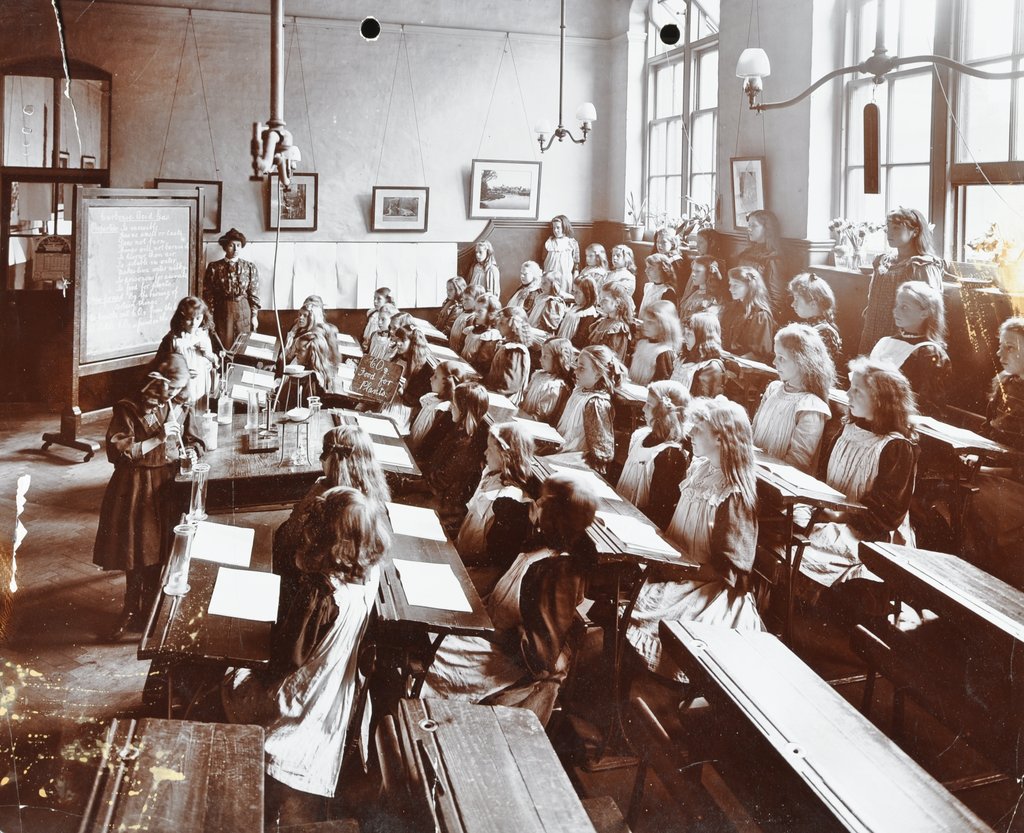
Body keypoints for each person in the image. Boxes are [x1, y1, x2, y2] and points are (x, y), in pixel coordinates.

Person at [222, 487, 389, 798]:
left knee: (232, 675)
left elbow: (290, 658)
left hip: (304, 691)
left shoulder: (322, 592)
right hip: (336, 685)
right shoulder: (369, 571)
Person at [422, 473, 598, 725]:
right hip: (490, 627)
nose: (537, 503)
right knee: (428, 629)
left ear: (556, 516)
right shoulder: (542, 545)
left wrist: (489, 630)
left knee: (429, 658)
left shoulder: (556, 572)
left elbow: (541, 658)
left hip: (502, 656)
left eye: (544, 501)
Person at [625, 398, 763, 682]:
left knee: (638, 616)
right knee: (620, 598)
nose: (690, 434)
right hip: (677, 566)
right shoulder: (699, 469)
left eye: (698, 429)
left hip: (705, 585)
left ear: (721, 438)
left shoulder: (733, 494)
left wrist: (679, 571)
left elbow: (730, 569)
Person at [93, 355, 203, 638]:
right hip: (137, 484)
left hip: (167, 485)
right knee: (137, 550)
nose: (176, 396)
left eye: (180, 390)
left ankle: (151, 611)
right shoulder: (128, 407)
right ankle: (130, 608)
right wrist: (157, 438)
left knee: (161, 550)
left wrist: (190, 451)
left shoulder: (179, 404)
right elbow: (117, 453)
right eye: (172, 390)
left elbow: (195, 439)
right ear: (158, 383)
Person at [797, 358, 919, 589]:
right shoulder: (848, 430)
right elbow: (824, 478)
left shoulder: (896, 448)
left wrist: (838, 516)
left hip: (866, 533)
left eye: (857, 391)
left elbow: (887, 514)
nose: (848, 395)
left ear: (880, 400)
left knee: (800, 553)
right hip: (831, 517)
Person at [273, 424, 390, 596]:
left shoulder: (329, 500)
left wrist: (317, 488)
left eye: (324, 453)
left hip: (304, 575)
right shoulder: (368, 494)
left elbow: (290, 538)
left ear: (338, 462)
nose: (320, 459)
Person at [964, 318, 1024, 587]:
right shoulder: (1004, 386)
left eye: (1010, 348)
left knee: (975, 496)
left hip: (1015, 481)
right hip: (992, 470)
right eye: (1001, 346)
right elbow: (988, 431)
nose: (1000, 354)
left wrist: (985, 468)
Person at [456, 422, 541, 582]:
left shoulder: (511, 501)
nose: (485, 452)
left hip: (479, 572)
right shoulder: (491, 476)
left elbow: (496, 560)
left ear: (506, 456)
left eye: (490, 449)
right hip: (463, 555)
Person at [751, 323, 835, 473]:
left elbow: (797, 462)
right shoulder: (773, 390)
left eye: (781, 358)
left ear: (803, 363)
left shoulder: (811, 406)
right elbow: (753, 433)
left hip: (777, 484)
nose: (774, 362)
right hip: (753, 470)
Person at [859, 207, 943, 354]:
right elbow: (872, 297)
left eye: (897, 228)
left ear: (915, 232)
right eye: (888, 228)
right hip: (872, 332)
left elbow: (931, 310)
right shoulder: (882, 261)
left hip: (903, 339)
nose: (890, 233)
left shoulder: (921, 266)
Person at [868, 281, 951, 418]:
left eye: (904, 307)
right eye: (897, 305)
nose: (895, 311)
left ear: (924, 313)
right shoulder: (886, 342)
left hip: (903, 418)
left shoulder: (928, 353)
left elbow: (928, 404)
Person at [616, 380, 691, 529]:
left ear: (664, 412)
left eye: (649, 405)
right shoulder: (641, 436)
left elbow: (659, 510)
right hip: (620, 511)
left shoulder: (670, 454)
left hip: (637, 525)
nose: (643, 409)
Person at [424, 381, 492, 532]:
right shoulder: (459, 431)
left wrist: (405, 483)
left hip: (442, 507)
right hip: (435, 494)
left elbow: (438, 484)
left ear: (464, 411)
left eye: (454, 404)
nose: (450, 407)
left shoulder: (467, 445)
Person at [556, 344, 620, 475]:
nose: (575, 371)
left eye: (582, 368)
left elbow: (603, 452)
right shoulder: (579, 390)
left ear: (598, 374)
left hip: (574, 461)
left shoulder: (596, 403)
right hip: (562, 451)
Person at [203, 227, 260, 351]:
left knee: (243, 345)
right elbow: (208, 294)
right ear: (224, 247)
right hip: (223, 310)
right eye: (231, 245)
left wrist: (254, 316)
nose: (235, 249)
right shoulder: (214, 267)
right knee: (224, 344)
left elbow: (254, 294)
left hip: (244, 310)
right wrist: (210, 316)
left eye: (238, 245)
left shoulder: (249, 267)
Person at [154, 295, 216, 408]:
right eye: (189, 319)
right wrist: (183, 373)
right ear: (181, 318)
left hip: (201, 393)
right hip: (177, 395)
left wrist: (208, 355)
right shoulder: (172, 340)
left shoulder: (203, 335)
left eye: (198, 318)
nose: (194, 323)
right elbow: (158, 369)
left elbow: (212, 364)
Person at [409, 360, 478, 455]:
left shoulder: (445, 411)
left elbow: (431, 445)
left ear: (449, 383)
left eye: (436, 377)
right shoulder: (431, 399)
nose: (431, 378)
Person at [735, 209, 786, 323]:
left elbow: (776, 299)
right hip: (741, 308)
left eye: (754, 226)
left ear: (767, 229)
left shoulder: (773, 259)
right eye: (748, 225)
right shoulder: (746, 254)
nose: (749, 229)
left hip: (759, 316)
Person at [382, 325, 433, 434]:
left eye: (403, 340)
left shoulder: (421, 368)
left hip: (402, 408)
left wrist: (401, 391)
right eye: (398, 339)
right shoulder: (398, 357)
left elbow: (416, 401)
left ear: (413, 344)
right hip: (387, 401)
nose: (398, 343)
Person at [720, 265, 776, 363]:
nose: (730, 289)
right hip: (728, 359)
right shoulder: (732, 308)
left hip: (746, 366)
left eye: (735, 285)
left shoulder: (760, 315)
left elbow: (758, 355)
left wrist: (731, 361)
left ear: (750, 287)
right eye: (730, 284)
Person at [788, 273, 842, 366]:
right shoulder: (808, 325)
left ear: (813, 304)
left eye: (797, 299)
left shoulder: (825, 333)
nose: (792, 304)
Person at [521, 337, 575, 426]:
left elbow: (542, 416)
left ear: (558, 360)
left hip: (532, 425)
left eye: (545, 356)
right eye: (541, 355)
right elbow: (525, 396)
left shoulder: (556, 386)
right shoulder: (538, 375)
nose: (540, 359)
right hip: (523, 417)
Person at [671, 311, 726, 397]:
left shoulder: (711, 367)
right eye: (684, 333)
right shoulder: (684, 358)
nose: (684, 338)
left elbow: (702, 403)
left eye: (689, 334)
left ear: (702, 337)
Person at [485, 308, 532, 405]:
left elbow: (509, 385)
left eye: (502, 323)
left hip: (504, 401)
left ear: (513, 327)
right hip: (495, 395)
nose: (498, 326)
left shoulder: (515, 351)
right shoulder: (506, 346)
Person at [629, 300, 681, 385]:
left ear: (664, 326)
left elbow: (660, 385)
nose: (645, 325)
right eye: (644, 321)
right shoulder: (642, 343)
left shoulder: (664, 352)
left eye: (650, 323)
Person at [589, 282, 633, 363]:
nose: (600, 303)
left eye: (604, 300)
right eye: (600, 298)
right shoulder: (602, 321)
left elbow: (614, 360)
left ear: (617, 302)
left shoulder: (618, 329)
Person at [462, 292, 503, 371]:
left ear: (491, 315)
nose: (475, 314)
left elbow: (482, 364)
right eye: (475, 310)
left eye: (479, 311)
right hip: (463, 367)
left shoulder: (490, 336)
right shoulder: (471, 330)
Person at [557, 276, 601, 350]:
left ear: (588, 294)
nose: (574, 295)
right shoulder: (576, 306)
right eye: (573, 291)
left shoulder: (589, 314)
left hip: (571, 348)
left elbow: (580, 339)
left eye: (577, 292)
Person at [678, 256, 725, 322]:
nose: (693, 274)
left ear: (708, 274)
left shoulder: (712, 300)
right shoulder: (694, 293)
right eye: (693, 270)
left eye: (698, 271)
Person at [542, 214, 580, 294]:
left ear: (565, 227)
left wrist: (575, 283)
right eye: (554, 228)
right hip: (549, 277)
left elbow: (576, 266)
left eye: (558, 227)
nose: (555, 230)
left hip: (565, 278)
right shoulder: (549, 243)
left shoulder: (572, 243)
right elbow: (543, 261)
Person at [450, 285, 486, 355]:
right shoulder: (463, 313)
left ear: (477, 301)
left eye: (467, 299)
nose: (464, 302)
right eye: (463, 299)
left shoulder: (472, 317)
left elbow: (464, 341)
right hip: (452, 348)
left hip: (458, 352)